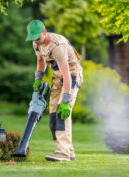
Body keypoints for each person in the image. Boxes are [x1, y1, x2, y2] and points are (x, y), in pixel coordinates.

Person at [26, 20, 83, 161]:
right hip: (57, 78)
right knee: (52, 116)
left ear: (44, 32)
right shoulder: (36, 43)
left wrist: (65, 100)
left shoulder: (58, 45)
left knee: (61, 113)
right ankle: (68, 152)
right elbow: (40, 61)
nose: (36, 41)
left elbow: (67, 75)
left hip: (71, 76)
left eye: (38, 38)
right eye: (33, 38)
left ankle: (62, 152)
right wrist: (38, 78)